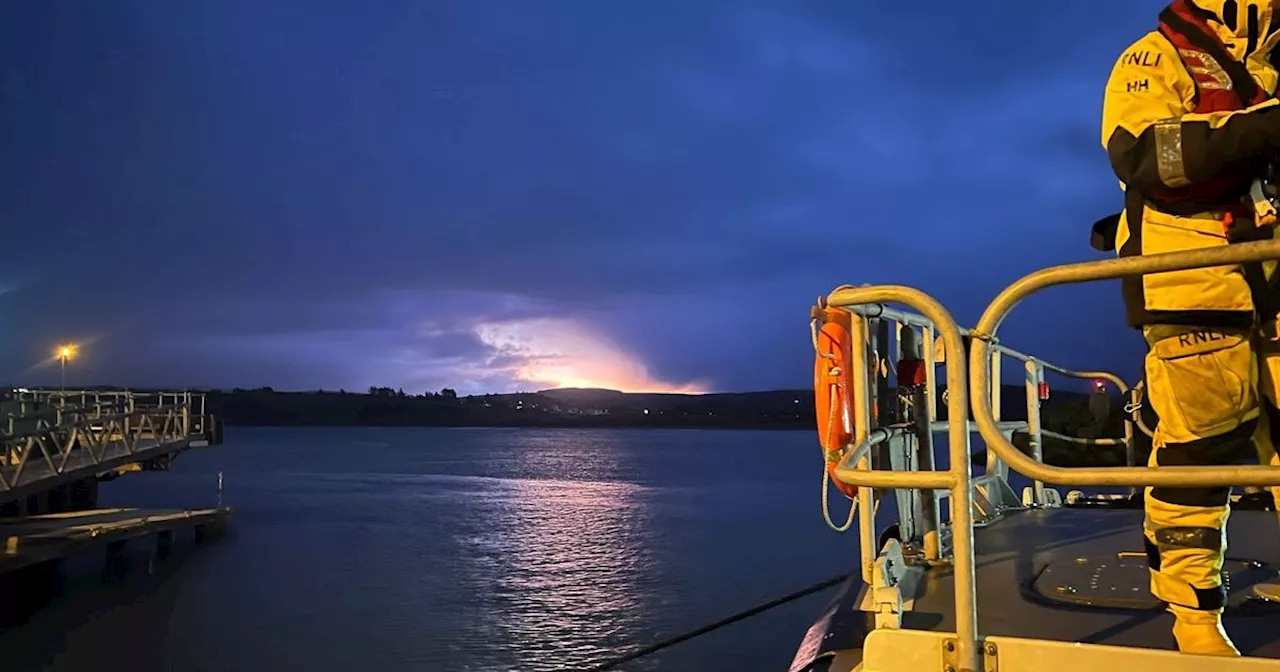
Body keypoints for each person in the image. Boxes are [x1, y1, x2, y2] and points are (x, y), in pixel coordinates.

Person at [1099, 0, 1280, 656]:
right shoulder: (1155, 57)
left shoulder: (1269, 64)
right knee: (1200, 447)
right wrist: (1264, 126)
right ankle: (1194, 613)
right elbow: (1145, 156)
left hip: (1271, 272)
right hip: (1192, 278)